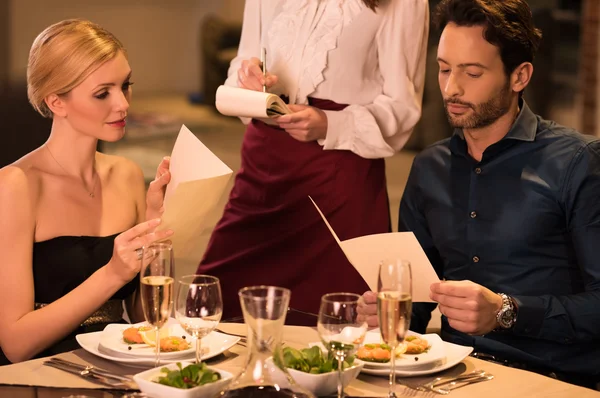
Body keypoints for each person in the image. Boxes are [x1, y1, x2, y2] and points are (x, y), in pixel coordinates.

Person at [358, 0, 600, 389]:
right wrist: (390, 312)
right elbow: (417, 303)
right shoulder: (428, 167)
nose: (452, 88)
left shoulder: (578, 162)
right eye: (443, 69)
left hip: (550, 379)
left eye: (472, 73)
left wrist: (507, 312)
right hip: (449, 375)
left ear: (519, 76)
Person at [197, 0, 430, 324]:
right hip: (265, 165)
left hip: (339, 169)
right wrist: (247, 79)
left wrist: (329, 124)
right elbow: (244, 60)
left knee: (340, 329)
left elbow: (402, 107)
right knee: (212, 307)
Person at [0, 19, 173, 364]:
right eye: (102, 93)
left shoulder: (126, 175)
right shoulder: (15, 186)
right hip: (37, 376)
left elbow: (145, 319)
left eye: (126, 86)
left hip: (112, 368)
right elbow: (16, 345)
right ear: (56, 102)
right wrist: (111, 274)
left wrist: (157, 228)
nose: (123, 104)